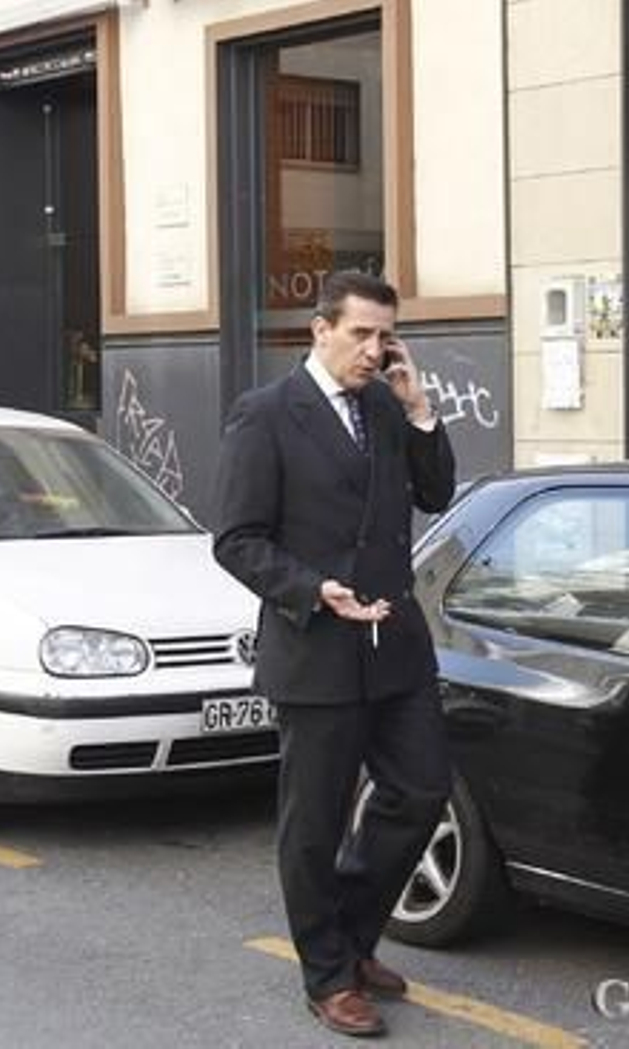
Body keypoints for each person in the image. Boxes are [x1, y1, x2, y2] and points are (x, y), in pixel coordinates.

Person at [212, 271, 457, 1037]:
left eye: (384, 335)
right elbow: (237, 541)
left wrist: (420, 413)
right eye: (359, 334)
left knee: (419, 792)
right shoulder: (266, 415)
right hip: (316, 648)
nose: (373, 349)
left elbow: (438, 492)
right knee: (314, 823)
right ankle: (327, 973)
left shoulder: (386, 405)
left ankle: (352, 939)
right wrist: (314, 589)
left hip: (394, 647)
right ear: (319, 329)